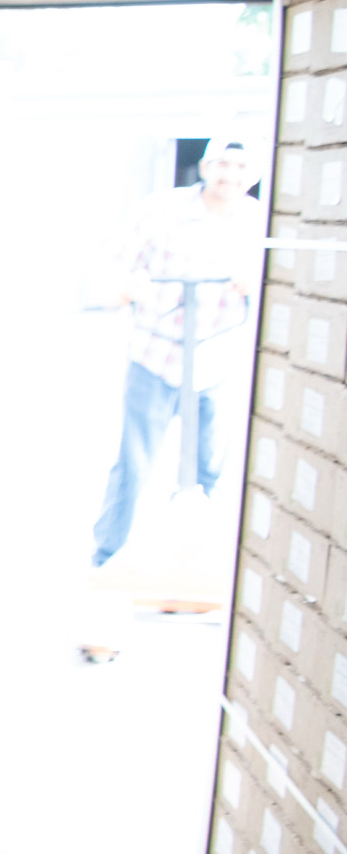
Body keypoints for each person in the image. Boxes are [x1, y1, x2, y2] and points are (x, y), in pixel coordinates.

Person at [90, 138, 263, 567]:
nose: (231, 176)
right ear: (205, 167)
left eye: (241, 167)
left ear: (253, 175)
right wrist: (126, 286)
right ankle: (107, 556)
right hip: (157, 353)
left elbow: (274, 282)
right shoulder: (160, 210)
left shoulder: (257, 220)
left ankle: (207, 560)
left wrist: (252, 283)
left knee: (209, 469)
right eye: (223, 164)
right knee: (136, 461)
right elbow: (117, 264)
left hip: (215, 356)